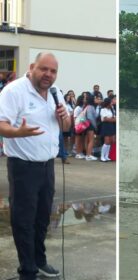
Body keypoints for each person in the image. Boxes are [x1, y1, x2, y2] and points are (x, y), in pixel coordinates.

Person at [0, 52, 71, 280]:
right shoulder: (14, 91)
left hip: (47, 165)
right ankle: (27, 270)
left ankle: (39, 261)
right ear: (32, 67)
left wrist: (63, 117)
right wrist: (16, 132)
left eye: (53, 71)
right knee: (24, 220)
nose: (48, 75)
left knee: (42, 218)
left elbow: (67, 126)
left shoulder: (55, 93)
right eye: (44, 69)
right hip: (23, 167)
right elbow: (1, 124)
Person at [100, 97, 116, 162]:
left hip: (111, 126)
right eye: (111, 102)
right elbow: (105, 119)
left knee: (111, 141)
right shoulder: (103, 110)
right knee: (106, 141)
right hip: (105, 126)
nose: (112, 104)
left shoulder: (112, 110)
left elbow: (114, 118)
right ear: (108, 103)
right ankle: (102, 156)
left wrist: (112, 119)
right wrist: (112, 119)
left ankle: (106, 156)